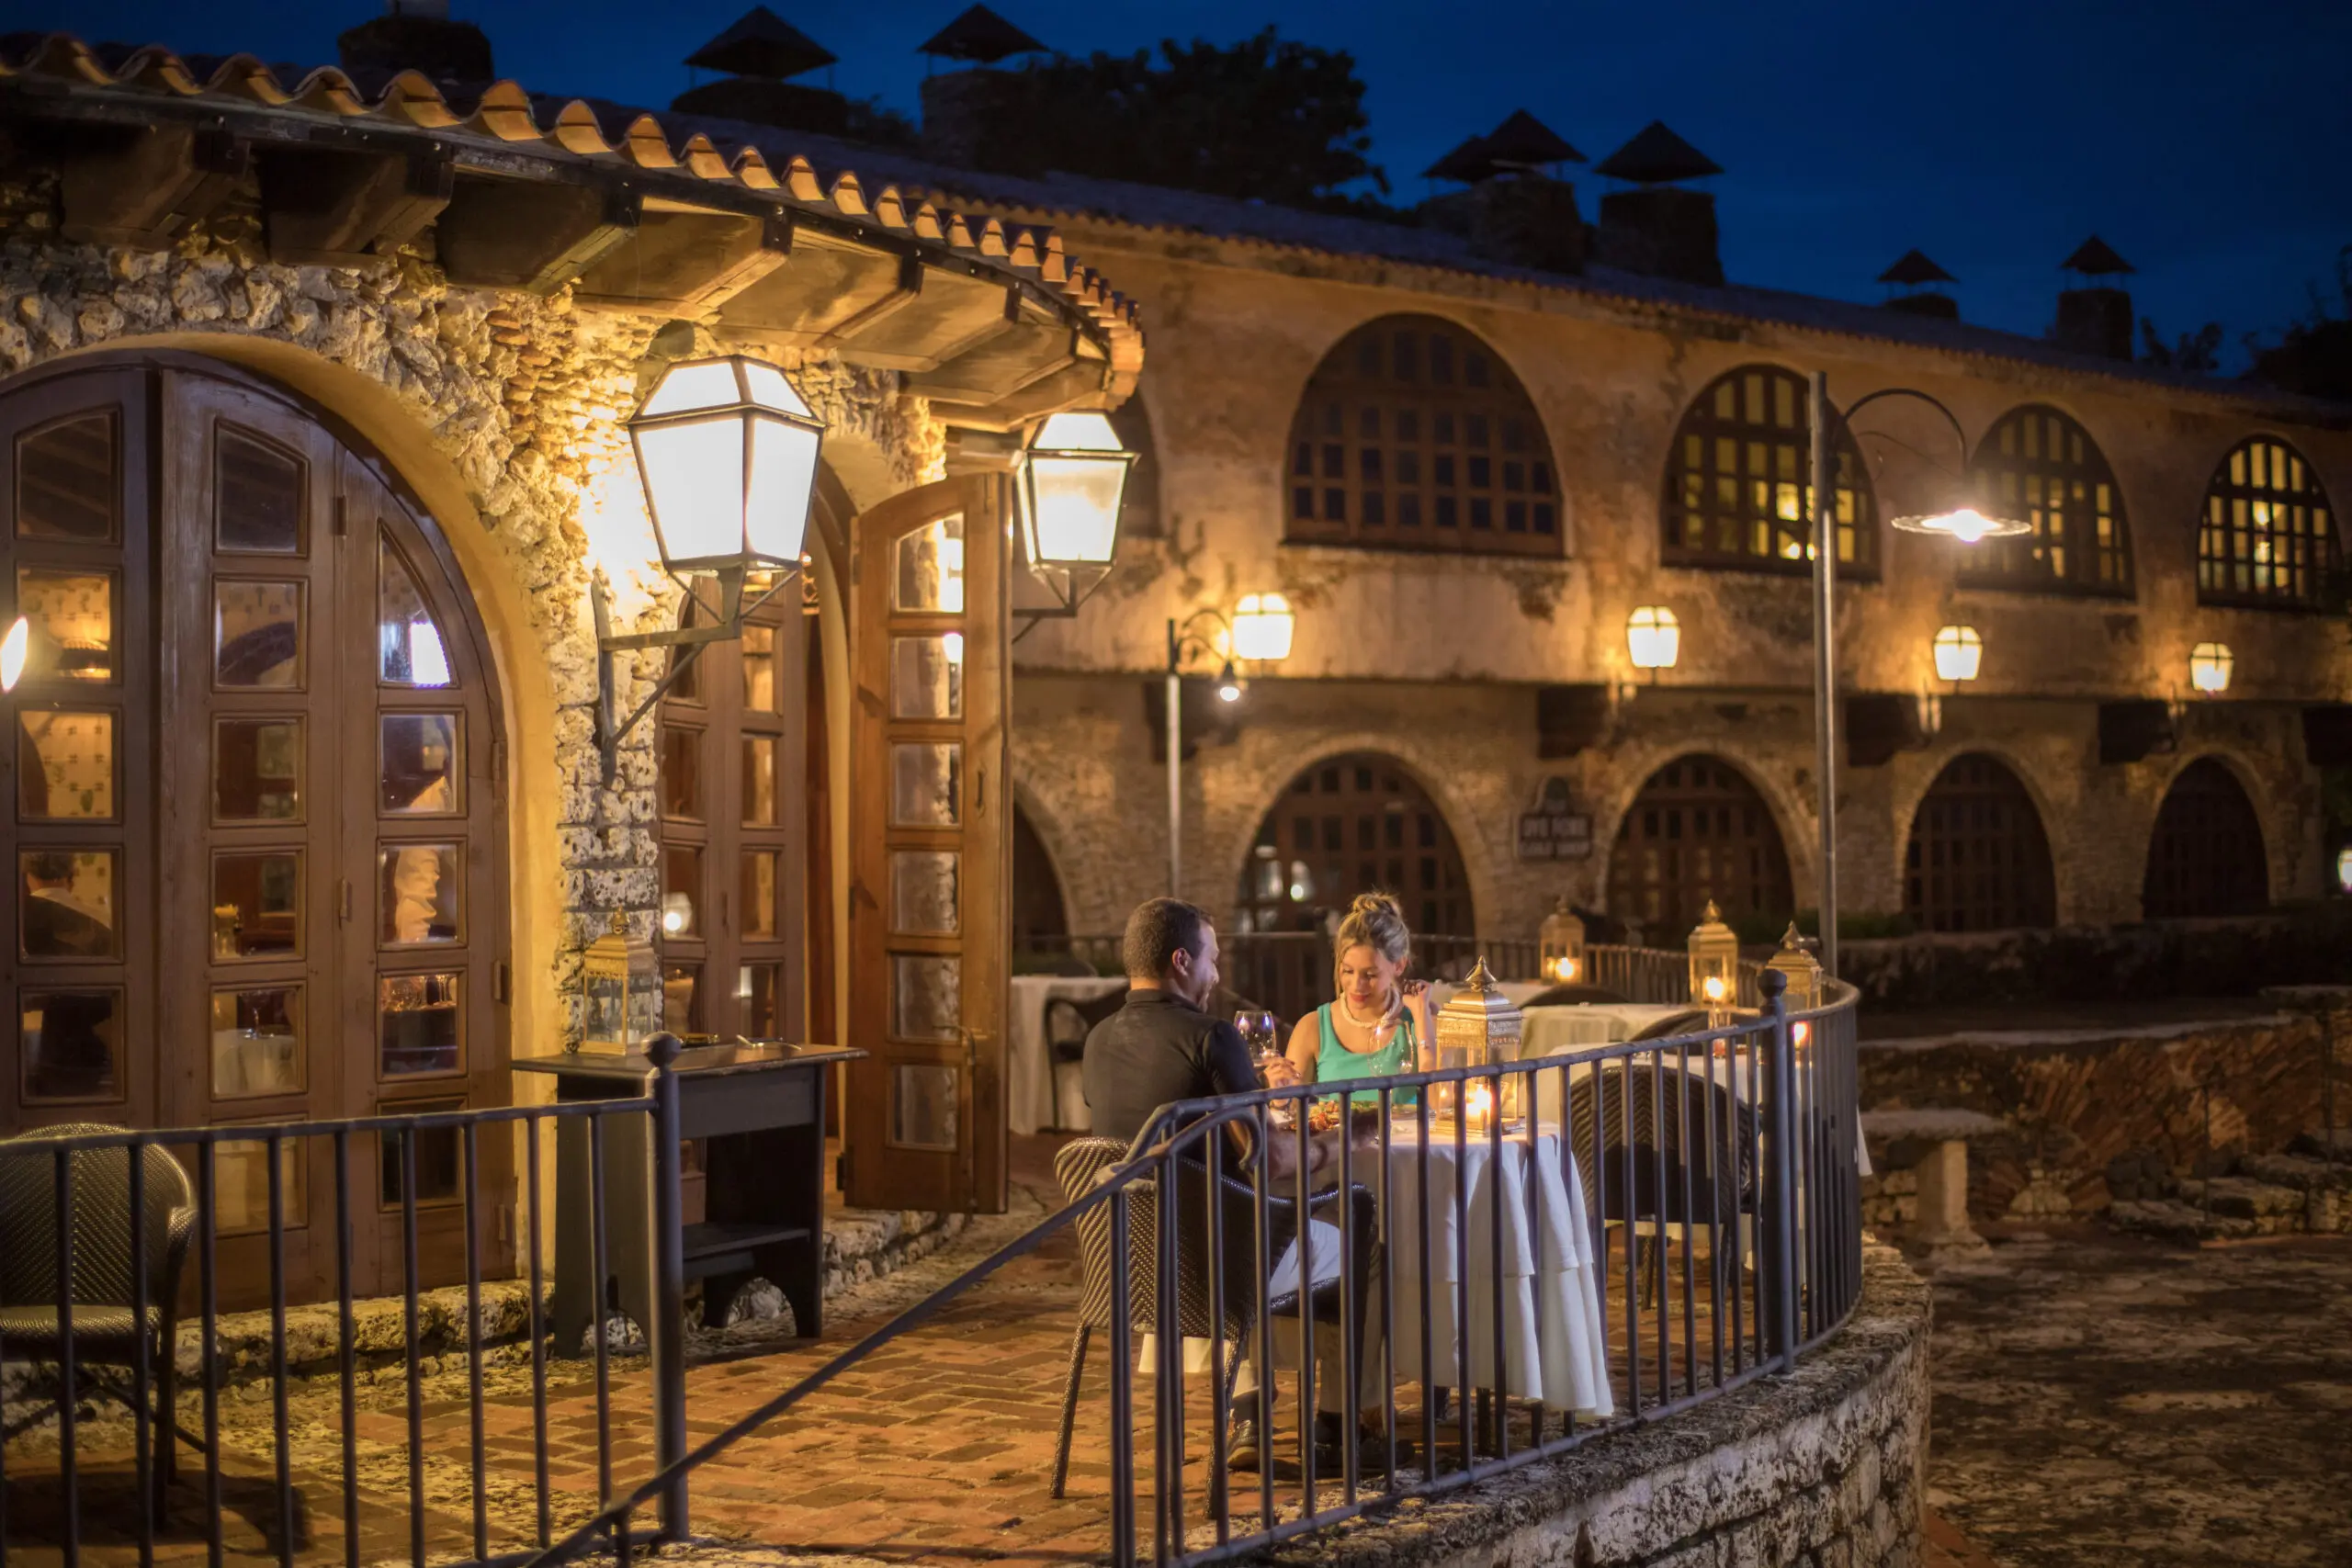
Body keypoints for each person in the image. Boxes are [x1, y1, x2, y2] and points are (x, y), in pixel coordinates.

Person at [1081, 897, 1379, 1474]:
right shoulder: (1211, 1037)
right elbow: (1269, 1163)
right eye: (1212, 960)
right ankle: (1339, 1429)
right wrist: (1350, 1139)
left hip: (1128, 1267)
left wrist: (1252, 1094)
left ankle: (1250, 1413)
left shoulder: (1096, 1040)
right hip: (1213, 1267)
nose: (1217, 974)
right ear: (1180, 961)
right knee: (1357, 1234)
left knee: (1235, 1223)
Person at [1265, 892, 1434, 1109]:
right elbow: (1293, 1115)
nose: (1356, 985)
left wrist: (1422, 1019)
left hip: (1402, 1143)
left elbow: (1440, 1105)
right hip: (1336, 1142)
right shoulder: (1313, 1027)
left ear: (1399, 965)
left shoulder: (1419, 1021)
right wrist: (1280, 1098)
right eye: (1347, 971)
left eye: (1370, 975)